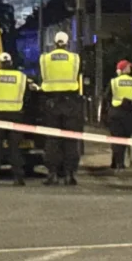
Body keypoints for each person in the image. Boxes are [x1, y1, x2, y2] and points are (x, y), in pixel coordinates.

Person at [39, 31, 83, 186]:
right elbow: (77, 75)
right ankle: (69, 175)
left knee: (52, 140)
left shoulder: (45, 58)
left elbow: (43, 77)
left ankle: (52, 174)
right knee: (70, 139)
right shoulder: (74, 58)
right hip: (70, 103)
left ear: (54, 43)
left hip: (52, 103)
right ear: (67, 43)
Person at [0, 52, 28, 187]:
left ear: (0, 64)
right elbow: (27, 96)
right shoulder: (21, 77)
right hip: (15, 116)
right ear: (11, 63)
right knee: (15, 148)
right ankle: (18, 178)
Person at [106, 60, 132, 171]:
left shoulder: (114, 81)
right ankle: (120, 163)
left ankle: (116, 162)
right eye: (128, 67)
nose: (130, 68)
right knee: (124, 139)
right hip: (127, 112)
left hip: (115, 112)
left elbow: (107, 96)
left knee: (116, 138)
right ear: (124, 69)